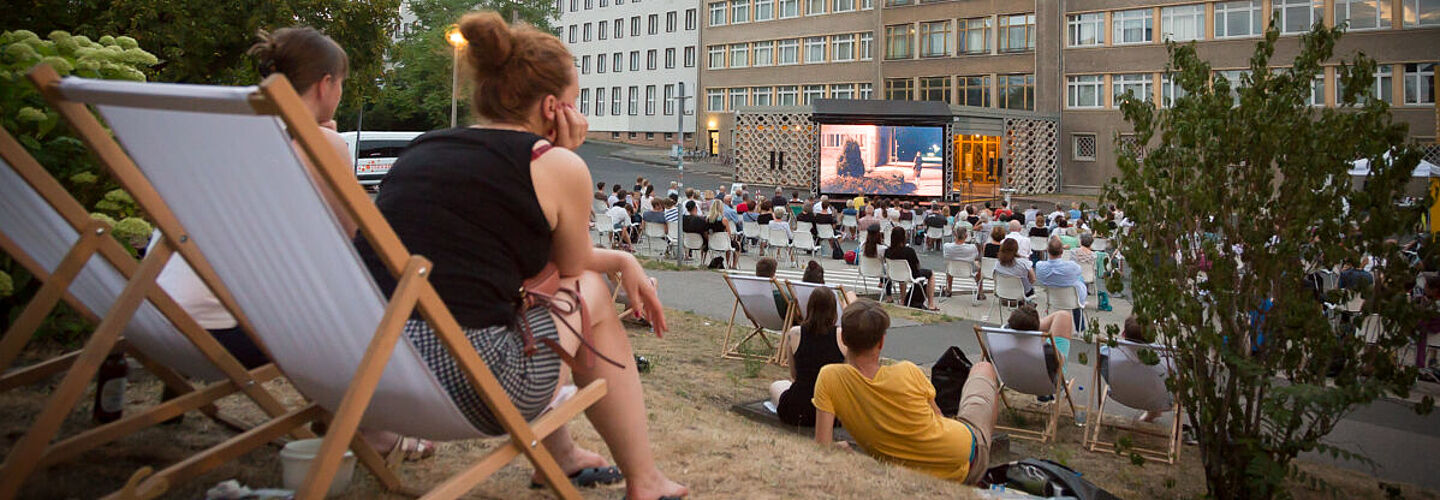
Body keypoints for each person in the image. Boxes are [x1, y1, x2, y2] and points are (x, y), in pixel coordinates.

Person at [352, 13, 687, 499]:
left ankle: (562, 456)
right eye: (576, 103)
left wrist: (621, 259)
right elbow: (564, 272)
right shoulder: (552, 165)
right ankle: (645, 479)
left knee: (534, 302)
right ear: (553, 107)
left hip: (368, 373)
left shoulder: (422, 149)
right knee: (589, 293)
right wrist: (565, 158)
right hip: (472, 386)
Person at [152, 26, 432, 462]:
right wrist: (327, 144)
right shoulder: (320, 143)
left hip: (157, 318)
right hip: (225, 333)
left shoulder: (217, 130)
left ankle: (172, 392)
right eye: (340, 85)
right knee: (376, 292)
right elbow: (357, 244)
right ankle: (375, 431)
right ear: (326, 84)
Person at [813, 301, 1000, 484]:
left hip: (917, 472)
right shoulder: (907, 371)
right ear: (882, 342)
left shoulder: (829, 378)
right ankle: (984, 460)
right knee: (984, 369)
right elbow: (939, 417)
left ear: (843, 338)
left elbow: (822, 446)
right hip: (965, 456)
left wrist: (840, 448)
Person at [769, 287, 847, 427]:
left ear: (810, 307)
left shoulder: (795, 333)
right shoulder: (842, 336)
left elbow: (794, 374)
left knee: (777, 385)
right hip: (830, 411)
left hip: (797, 408)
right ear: (834, 310)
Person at [1035, 237, 1087, 332]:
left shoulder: (1040, 266)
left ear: (1047, 250)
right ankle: (1080, 327)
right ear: (1062, 252)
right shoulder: (1071, 266)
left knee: (1075, 281)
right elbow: (1079, 271)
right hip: (1072, 300)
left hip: (1052, 298)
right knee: (1079, 279)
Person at [883, 227, 937, 310]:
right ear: (903, 238)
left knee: (903, 276)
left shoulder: (887, 251)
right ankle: (931, 304)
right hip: (910, 275)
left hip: (894, 275)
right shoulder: (909, 251)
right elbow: (917, 265)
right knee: (931, 274)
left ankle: (903, 299)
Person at [943, 226, 982, 300]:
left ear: (955, 235)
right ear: (966, 236)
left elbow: (946, 257)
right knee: (979, 269)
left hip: (952, 270)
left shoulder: (947, 246)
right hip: (968, 271)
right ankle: (980, 291)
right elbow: (976, 257)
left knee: (949, 265)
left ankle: (949, 288)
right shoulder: (972, 247)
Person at [708, 199, 737, 268]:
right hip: (723, 242)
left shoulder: (708, 219)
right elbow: (729, 234)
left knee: (728, 244)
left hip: (712, 243)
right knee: (735, 245)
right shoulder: (724, 219)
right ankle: (731, 265)